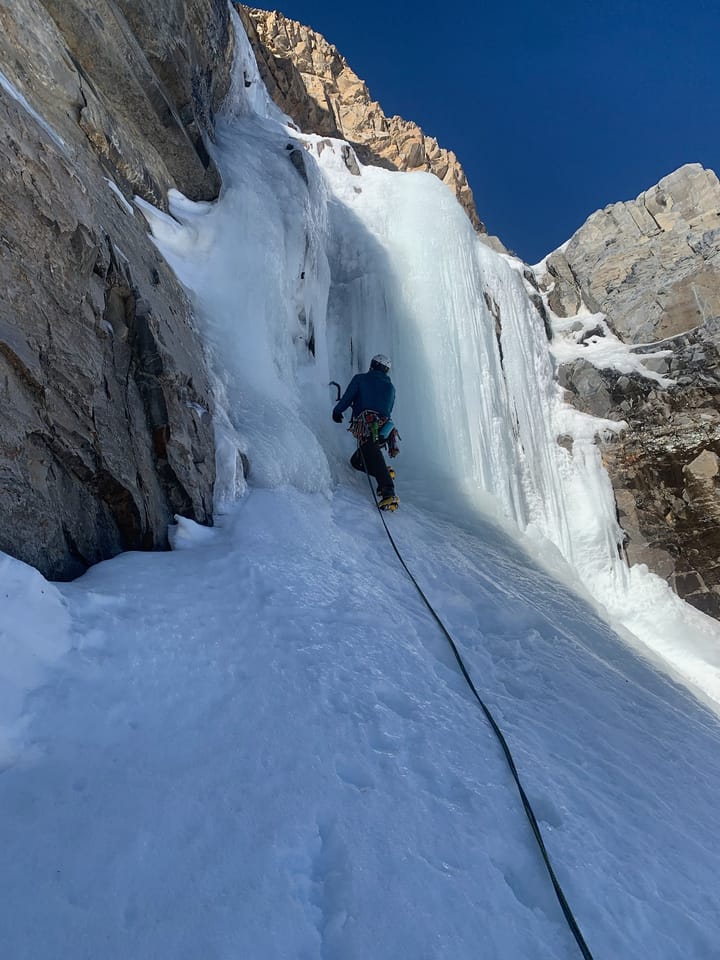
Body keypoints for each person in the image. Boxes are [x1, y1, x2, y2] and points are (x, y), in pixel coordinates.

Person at [332, 354, 400, 509]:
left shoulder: (360, 379)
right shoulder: (391, 388)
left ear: (373, 365)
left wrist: (337, 411)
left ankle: (388, 492)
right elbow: (388, 410)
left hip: (366, 425)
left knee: (370, 450)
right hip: (384, 429)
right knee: (356, 461)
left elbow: (347, 398)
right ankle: (384, 472)